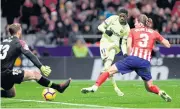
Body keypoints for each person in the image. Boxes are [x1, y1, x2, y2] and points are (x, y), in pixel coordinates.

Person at [81, 14, 172, 102]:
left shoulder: (132, 31)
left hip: (133, 59)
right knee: (149, 86)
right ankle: (160, 92)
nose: (134, 24)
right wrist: (157, 40)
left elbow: (128, 46)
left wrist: (129, 56)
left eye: (136, 22)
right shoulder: (154, 32)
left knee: (109, 71)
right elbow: (167, 45)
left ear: (140, 24)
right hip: (145, 63)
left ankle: (95, 87)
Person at [1, 23, 71, 98]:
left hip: (3, 74)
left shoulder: (3, 42)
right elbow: (29, 55)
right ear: (19, 32)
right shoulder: (19, 42)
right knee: (35, 74)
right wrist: (41, 67)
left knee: (11, 94)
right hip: (5, 73)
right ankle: (58, 87)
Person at [89, 8, 130, 96]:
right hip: (104, 43)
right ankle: (115, 87)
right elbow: (100, 27)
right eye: (121, 16)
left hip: (114, 45)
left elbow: (123, 43)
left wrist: (125, 53)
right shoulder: (112, 18)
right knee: (108, 68)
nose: (122, 18)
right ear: (118, 15)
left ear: (127, 17)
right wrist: (106, 31)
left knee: (109, 61)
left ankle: (96, 85)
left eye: (124, 16)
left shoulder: (127, 28)